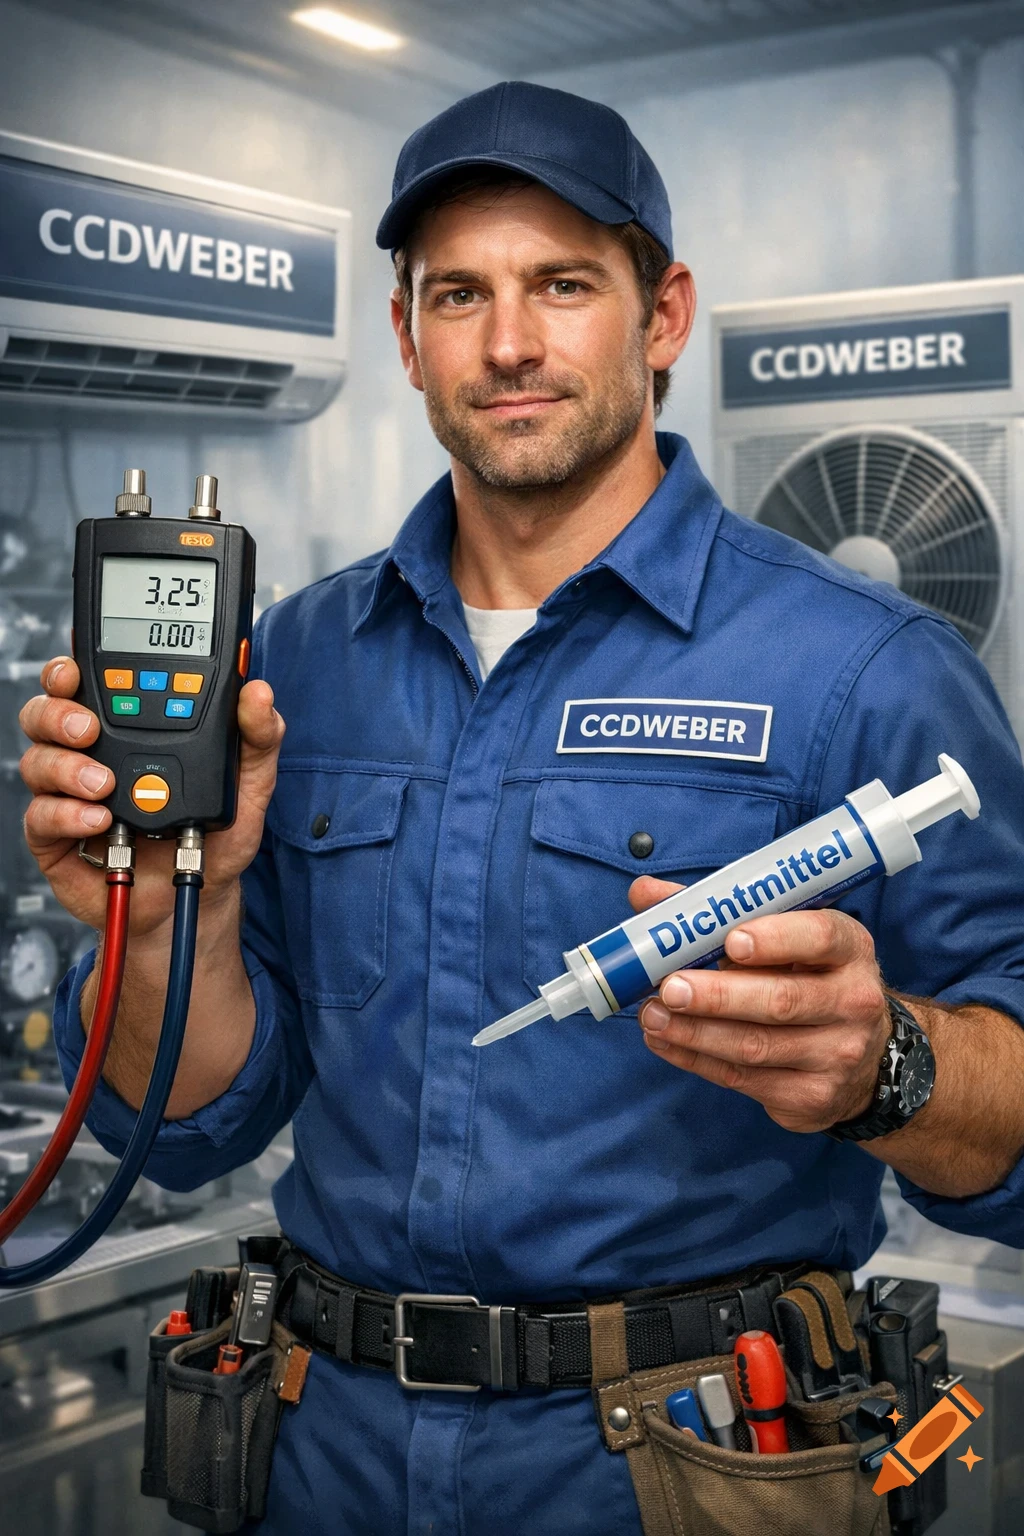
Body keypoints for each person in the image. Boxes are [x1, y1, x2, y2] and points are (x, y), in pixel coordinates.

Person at [19, 81, 1024, 1536]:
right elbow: (191, 1133)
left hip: (690, 1470)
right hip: (326, 1458)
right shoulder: (291, 662)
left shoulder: (869, 670)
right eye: (458, 295)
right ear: (404, 335)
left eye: (562, 285)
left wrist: (889, 1064)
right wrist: (174, 922)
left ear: (663, 315)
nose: (506, 344)